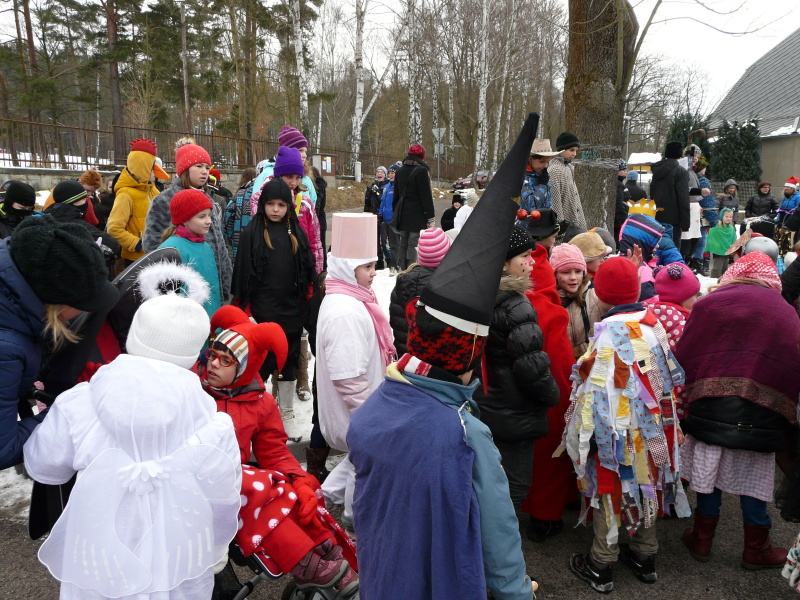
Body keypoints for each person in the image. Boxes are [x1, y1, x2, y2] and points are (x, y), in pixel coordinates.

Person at [348, 113, 541, 600]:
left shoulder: (374, 408)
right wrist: (516, 592)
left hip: (380, 575)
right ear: (469, 355)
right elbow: (498, 534)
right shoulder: (465, 434)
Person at [23, 274, 241, 600]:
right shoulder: (215, 426)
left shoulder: (80, 404)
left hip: (97, 562)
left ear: (135, 335)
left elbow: (44, 467)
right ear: (193, 352)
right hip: (176, 568)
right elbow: (223, 504)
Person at [197, 305, 358, 596]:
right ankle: (302, 560)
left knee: (294, 487)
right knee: (258, 488)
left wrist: (300, 481)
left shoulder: (260, 402)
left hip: (231, 480)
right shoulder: (194, 390)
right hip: (200, 482)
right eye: (212, 354)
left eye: (226, 359)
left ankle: (323, 547)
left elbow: (274, 453)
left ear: (245, 367)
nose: (214, 364)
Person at [561, 257, 687, 593]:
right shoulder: (653, 326)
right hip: (652, 430)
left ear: (600, 296)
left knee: (611, 491)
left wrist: (584, 434)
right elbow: (664, 382)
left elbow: (594, 391)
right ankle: (645, 556)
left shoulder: (606, 335)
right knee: (647, 486)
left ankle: (601, 563)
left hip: (614, 436)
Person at [677, 251, 800, 570]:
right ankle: (756, 549)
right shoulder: (785, 312)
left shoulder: (708, 304)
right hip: (762, 415)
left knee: (709, 474)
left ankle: (701, 539)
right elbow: (792, 363)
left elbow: (684, 353)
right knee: (754, 479)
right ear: (771, 279)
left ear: (734, 273)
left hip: (709, 408)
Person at [0, 216, 119, 470]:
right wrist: (71, 413)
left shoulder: (17, 266)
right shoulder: (7, 349)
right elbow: (3, 448)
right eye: (85, 305)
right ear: (55, 303)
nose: (87, 311)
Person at [472, 225, 559, 521]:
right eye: (524, 256)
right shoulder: (516, 304)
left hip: (484, 406)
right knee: (514, 488)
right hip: (515, 413)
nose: (532, 262)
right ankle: (503, 546)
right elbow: (530, 365)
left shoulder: (478, 296)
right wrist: (551, 395)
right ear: (504, 263)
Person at [316, 213, 395, 534]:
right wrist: (370, 415)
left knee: (355, 459)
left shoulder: (352, 299)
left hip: (363, 407)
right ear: (347, 269)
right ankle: (353, 522)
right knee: (362, 465)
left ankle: (321, 500)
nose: (374, 273)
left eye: (374, 265)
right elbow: (347, 376)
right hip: (359, 411)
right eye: (366, 267)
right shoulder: (345, 311)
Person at [231, 178, 316, 420]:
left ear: (289, 205)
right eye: (270, 204)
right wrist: (244, 310)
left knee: (288, 357)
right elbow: (242, 273)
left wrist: (307, 300)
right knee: (262, 361)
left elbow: (307, 269)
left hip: (291, 309)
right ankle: (257, 405)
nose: (275, 210)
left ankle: (285, 408)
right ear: (263, 205)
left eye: (281, 205)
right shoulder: (252, 232)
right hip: (262, 310)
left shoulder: (296, 231)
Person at [522, 216, 578, 543]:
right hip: (548, 386)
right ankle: (546, 514)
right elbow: (560, 363)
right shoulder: (548, 308)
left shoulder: (506, 300)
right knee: (551, 450)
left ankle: (543, 506)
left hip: (515, 390)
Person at [142, 138, 233, 300]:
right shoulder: (164, 201)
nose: (205, 172)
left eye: (207, 167)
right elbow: (153, 245)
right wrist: (172, 283)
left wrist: (226, 281)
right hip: (184, 285)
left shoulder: (208, 199)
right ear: (185, 169)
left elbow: (220, 243)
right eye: (199, 166)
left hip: (212, 279)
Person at [648, 262, 700, 420]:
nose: (697, 300)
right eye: (695, 295)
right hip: (678, 401)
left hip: (651, 399)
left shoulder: (649, 315)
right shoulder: (685, 327)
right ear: (681, 298)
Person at [158, 189, 221, 317]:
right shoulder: (171, 250)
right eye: (202, 216)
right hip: (186, 320)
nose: (208, 221)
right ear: (185, 220)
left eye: (209, 215)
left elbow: (212, 287)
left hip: (209, 317)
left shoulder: (206, 247)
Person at [388, 227, 450, 357]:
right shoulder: (450, 285)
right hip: (438, 359)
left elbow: (396, 321)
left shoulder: (403, 282)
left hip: (406, 357)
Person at [106, 138, 167, 265]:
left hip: (156, 253)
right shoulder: (125, 194)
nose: (155, 173)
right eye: (152, 168)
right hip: (136, 259)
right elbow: (114, 228)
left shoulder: (152, 190)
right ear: (142, 168)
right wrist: (137, 244)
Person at [43, 180, 121, 278]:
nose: (87, 201)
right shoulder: (78, 227)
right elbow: (112, 245)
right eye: (84, 198)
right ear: (74, 202)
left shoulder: (45, 217)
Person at [550, 242, 602, 358]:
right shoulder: (550, 301)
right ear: (555, 274)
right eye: (566, 272)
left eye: (578, 271)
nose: (573, 277)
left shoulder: (595, 296)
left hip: (592, 361)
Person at [250, 126, 318, 209]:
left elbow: (312, 204)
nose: (305, 155)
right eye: (300, 150)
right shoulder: (267, 174)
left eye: (305, 151)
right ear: (287, 151)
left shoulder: (306, 176)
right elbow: (256, 205)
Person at [393, 144, 435, 269]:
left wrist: (396, 213)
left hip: (403, 213)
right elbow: (426, 196)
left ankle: (402, 269)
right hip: (417, 215)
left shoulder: (399, 171)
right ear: (422, 156)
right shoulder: (421, 171)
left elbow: (396, 195)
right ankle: (411, 269)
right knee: (413, 243)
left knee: (403, 242)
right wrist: (430, 217)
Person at [650, 141, 690, 247]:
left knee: (658, 246)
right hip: (674, 219)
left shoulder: (657, 170)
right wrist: (685, 223)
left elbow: (652, 192)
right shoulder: (681, 171)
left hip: (657, 215)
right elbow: (683, 197)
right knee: (672, 247)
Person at [548, 132, 587, 229]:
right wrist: (560, 226)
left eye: (576, 150)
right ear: (561, 149)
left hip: (574, 225)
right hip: (565, 226)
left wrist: (581, 224)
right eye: (571, 150)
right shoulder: (554, 170)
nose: (574, 154)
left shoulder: (568, 167)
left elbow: (575, 199)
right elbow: (555, 202)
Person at [223, 167, 258, 258]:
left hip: (239, 243)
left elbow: (228, 220)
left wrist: (231, 239)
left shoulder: (239, 194)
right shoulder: (265, 193)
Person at [520, 138, 557, 213]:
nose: (545, 166)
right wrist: (542, 186)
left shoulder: (541, 176)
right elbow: (530, 207)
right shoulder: (522, 179)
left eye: (547, 162)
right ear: (530, 159)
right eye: (542, 162)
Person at [363, 166, 390, 270]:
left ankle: (390, 262)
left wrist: (378, 192)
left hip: (383, 218)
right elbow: (367, 203)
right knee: (374, 242)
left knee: (384, 241)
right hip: (373, 217)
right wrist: (366, 215)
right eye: (378, 172)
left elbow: (384, 201)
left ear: (385, 175)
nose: (379, 174)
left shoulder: (388, 187)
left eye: (382, 172)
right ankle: (379, 263)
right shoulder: (371, 187)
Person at [693, 157, 716, 275]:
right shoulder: (703, 182)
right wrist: (713, 219)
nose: (705, 170)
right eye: (704, 167)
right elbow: (708, 202)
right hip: (701, 217)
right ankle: (698, 264)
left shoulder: (690, 179)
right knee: (701, 241)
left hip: (691, 215)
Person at [377, 162, 400, 274]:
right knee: (387, 243)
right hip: (386, 219)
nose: (390, 175)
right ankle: (392, 264)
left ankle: (395, 265)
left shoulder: (398, 187)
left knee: (395, 244)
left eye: (393, 173)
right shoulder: (386, 187)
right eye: (389, 173)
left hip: (394, 220)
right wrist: (380, 214)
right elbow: (383, 202)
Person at [706, 208, 737, 279]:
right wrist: (715, 245)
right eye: (726, 216)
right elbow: (710, 236)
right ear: (722, 216)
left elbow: (733, 238)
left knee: (725, 267)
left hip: (727, 250)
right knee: (717, 267)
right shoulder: (716, 227)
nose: (728, 218)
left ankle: (723, 280)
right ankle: (715, 279)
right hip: (718, 250)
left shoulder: (731, 228)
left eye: (730, 217)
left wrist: (733, 247)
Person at [615, 159, 631, 240]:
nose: (625, 172)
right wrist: (623, 219)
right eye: (623, 170)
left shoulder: (620, 184)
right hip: (618, 221)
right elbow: (619, 202)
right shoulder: (618, 185)